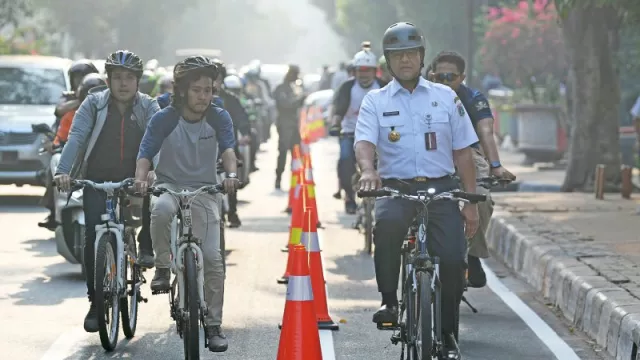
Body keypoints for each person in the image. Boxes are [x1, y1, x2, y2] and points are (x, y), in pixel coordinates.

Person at [355, 22, 480, 359]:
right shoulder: (376, 101)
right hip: (396, 188)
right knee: (386, 228)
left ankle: (448, 332)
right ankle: (390, 302)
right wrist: (369, 171)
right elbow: (364, 141)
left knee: (454, 259)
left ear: (422, 57)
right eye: (397, 55)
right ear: (388, 62)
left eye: (411, 53)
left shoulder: (445, 97)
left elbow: (463, 153)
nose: (405, 60)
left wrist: (470, 201)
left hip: (441, 190)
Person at [134, 55, 239, 352]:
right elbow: (145, 153)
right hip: (168, 185)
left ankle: (214, 324)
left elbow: (229, 150)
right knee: (162, 209)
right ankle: (163, 267)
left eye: (208, 90)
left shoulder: (219, 116)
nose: (204, 96)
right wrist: (141, 179)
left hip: (205, 190)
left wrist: (231, 175)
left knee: (213, 260)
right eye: (197, 90)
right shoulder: (164, 117)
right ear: (182, 90)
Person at [53, 50, 159, 333]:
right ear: (108, 80)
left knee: (153, 201)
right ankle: (95, 301)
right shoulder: (93, 104)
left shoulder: (148, 107)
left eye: (129, 78)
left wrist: (154, 173)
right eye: (117, 78)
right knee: (92, 235)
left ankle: (145, 245)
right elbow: (76, 138)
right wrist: (63, 171)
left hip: (135, 177)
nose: (123, 84)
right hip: (97, 178)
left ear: (138, 82)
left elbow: (160, 141)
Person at [428, 51, 516, 288]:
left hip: (468, 154)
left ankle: (472, 255)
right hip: (428, 154)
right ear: (430, 75)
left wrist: (495, 166)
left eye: (451, 77)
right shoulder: (419, 95)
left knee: (482, 199)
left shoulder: (474, 98)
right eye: (439, 77)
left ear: (462, 77)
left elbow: (486, 131)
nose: (445, 82)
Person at [39, 60, 100, 230]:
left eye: (83, 76)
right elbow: (61, 116)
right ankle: (55, 211)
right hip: (69, 148)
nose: (79, 80)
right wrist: (83, 100)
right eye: (77, 77)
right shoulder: (70, 105)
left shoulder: (109, 104)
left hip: (99, 152)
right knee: (55, 168)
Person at [330, 48, 387, 214]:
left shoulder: (383, 87)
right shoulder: (347, 87)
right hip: (350, 133)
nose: (364, 75)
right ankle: (349, 195)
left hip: (378, 136)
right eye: (360, 71)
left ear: (374, 71)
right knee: (345, 160)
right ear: (354, 72)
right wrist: (335, 125)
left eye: (367, 70)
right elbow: (338, 111)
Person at [213, 60, 251, 228]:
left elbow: (243, 118)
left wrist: (246, 133)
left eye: (217, 79)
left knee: (231, 176)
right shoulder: (193, 99)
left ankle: (232, 211)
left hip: (227, 147)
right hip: (202, 148)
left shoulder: (231, 100)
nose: (214, 84)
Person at [273, 65, 305, 190]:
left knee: (296, 152)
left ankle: (296, 178)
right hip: (285, 124)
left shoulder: (294, 87)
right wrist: (299, 101)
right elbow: (285, 105)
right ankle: (278, 178)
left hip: (295, 124)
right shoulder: (281, 89)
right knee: (283, 152)